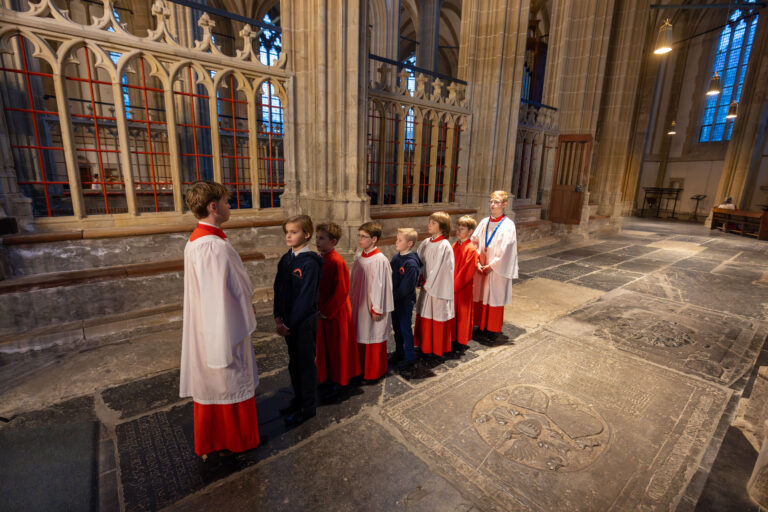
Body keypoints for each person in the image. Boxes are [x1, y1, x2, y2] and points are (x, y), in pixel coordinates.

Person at [179, 180, 260, 458]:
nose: (229, 205)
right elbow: (222, 293)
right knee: (229, 376)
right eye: (226, 201)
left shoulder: (199, 240)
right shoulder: (213, 246)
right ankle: (238, 439)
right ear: (213, 207)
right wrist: (245, 305)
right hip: (223, 325)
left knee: (216, 380)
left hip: (209, 322)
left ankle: (216, 439)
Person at [274, 215, 324, 426]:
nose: (289, 235)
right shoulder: (286, 259)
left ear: (307, 234)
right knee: (294, 363)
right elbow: (278, 288)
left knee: (305, 365)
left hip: (303, 323)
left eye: (294, 232)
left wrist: (288, 324)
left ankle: (308, 407)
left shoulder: (310, 263)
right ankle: (298, 398)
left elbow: (305, 299)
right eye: (287, 232)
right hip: (287, 322)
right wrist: (278, 316)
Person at [315, 222, 361, 397]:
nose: (317, 242)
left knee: (338, 348)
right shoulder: (321, 258)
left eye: (321, 238)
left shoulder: (336, 261)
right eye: (317, 238)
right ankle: (327, 376)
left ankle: (340, 380)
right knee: (326, 347)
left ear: (333, 242)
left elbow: (341, 291)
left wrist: (326, 312)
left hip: (336, 312)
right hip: (324, 310)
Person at [349, 221, 394, 382]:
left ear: (374, 239)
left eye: (364, 237)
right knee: (360, 334)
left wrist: (377, 309)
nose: (360, 239)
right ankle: (360, 368)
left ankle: (374, 371)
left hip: (372, 306)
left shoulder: (380, 260)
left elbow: (381, 288)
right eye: (359, 236)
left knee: (372, 334)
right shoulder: (359, 256)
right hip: (359, 304)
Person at [471, 190, 519, 338]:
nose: (492, 204)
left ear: (504, 205)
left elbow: (507, 248)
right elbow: (474, 241)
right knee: (480, 293)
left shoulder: (508, 225)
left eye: (496, 202)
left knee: (494, 296)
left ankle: (492, 328)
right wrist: (477, 260)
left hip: (496, 268)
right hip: (482, 264)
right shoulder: (484, 222)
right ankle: (480, 325)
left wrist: (492, 265)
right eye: (491, 201)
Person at [414, 212, 455, 357]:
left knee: (436, 314)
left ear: (442, 227)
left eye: (433, 223)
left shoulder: (444, 245)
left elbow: (441, 269)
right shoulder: (426, 242)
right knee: (424, 313)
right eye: (429, 222)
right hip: (426, 285)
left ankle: (436, 347)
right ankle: (424, 344)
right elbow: (419, 261)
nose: (429, 225)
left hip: (437, 288)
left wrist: (429, 283)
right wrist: (418, 277)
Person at [389, 227, 421, 371]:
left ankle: (409, 358)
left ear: (409, 243)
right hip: (394, 301)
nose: (396, 242)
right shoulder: (396, 258)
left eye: (400, 240)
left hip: (405, 302)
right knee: (396, 328)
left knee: (405, 329)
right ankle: (399, 352)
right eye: (397, 239)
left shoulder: (411, 263)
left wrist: (391, 297)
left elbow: (406, 288)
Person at [452, 215, 479, 349]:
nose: (458, 231)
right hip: (452, 287)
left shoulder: (471, 249)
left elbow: (466, 274)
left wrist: (453, 287)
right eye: (457, 228)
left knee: (462, 314)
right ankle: (452, 337)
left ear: (470, 232)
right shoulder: (454, 245)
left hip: (462, 289)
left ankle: (460, 340)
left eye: (462, 229)